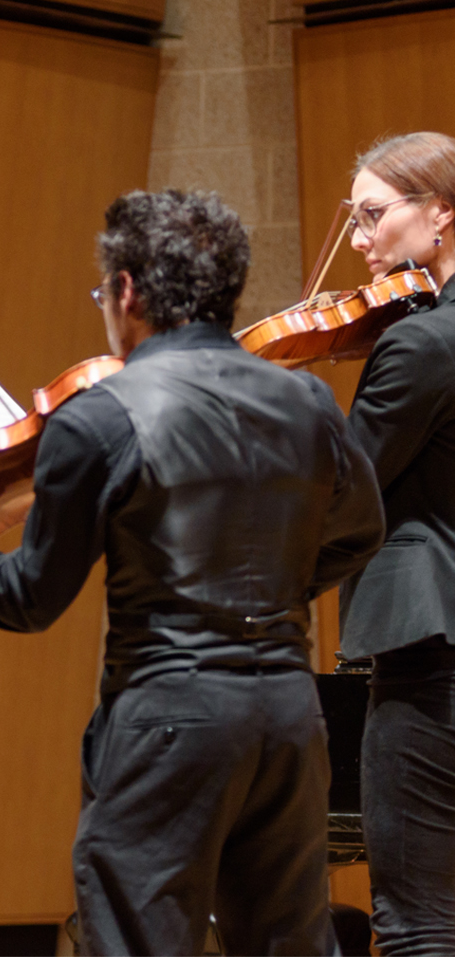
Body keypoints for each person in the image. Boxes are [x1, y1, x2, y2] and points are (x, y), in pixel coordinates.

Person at [0, 189, 385, 955]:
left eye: (104, 293)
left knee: (136, 940)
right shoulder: (307, 399)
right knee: (287, 946)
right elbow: (362, 532)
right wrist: (270, 595)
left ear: (126, 291)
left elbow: (31, 597)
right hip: (289, 716)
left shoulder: (100, 414)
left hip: (168, 719)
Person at [337, 131, 455, 955]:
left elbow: (342, 496)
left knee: (418, 924)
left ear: (441, 215)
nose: (359, 240)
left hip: (433, 650)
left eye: (373, 215)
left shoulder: (420, 343)